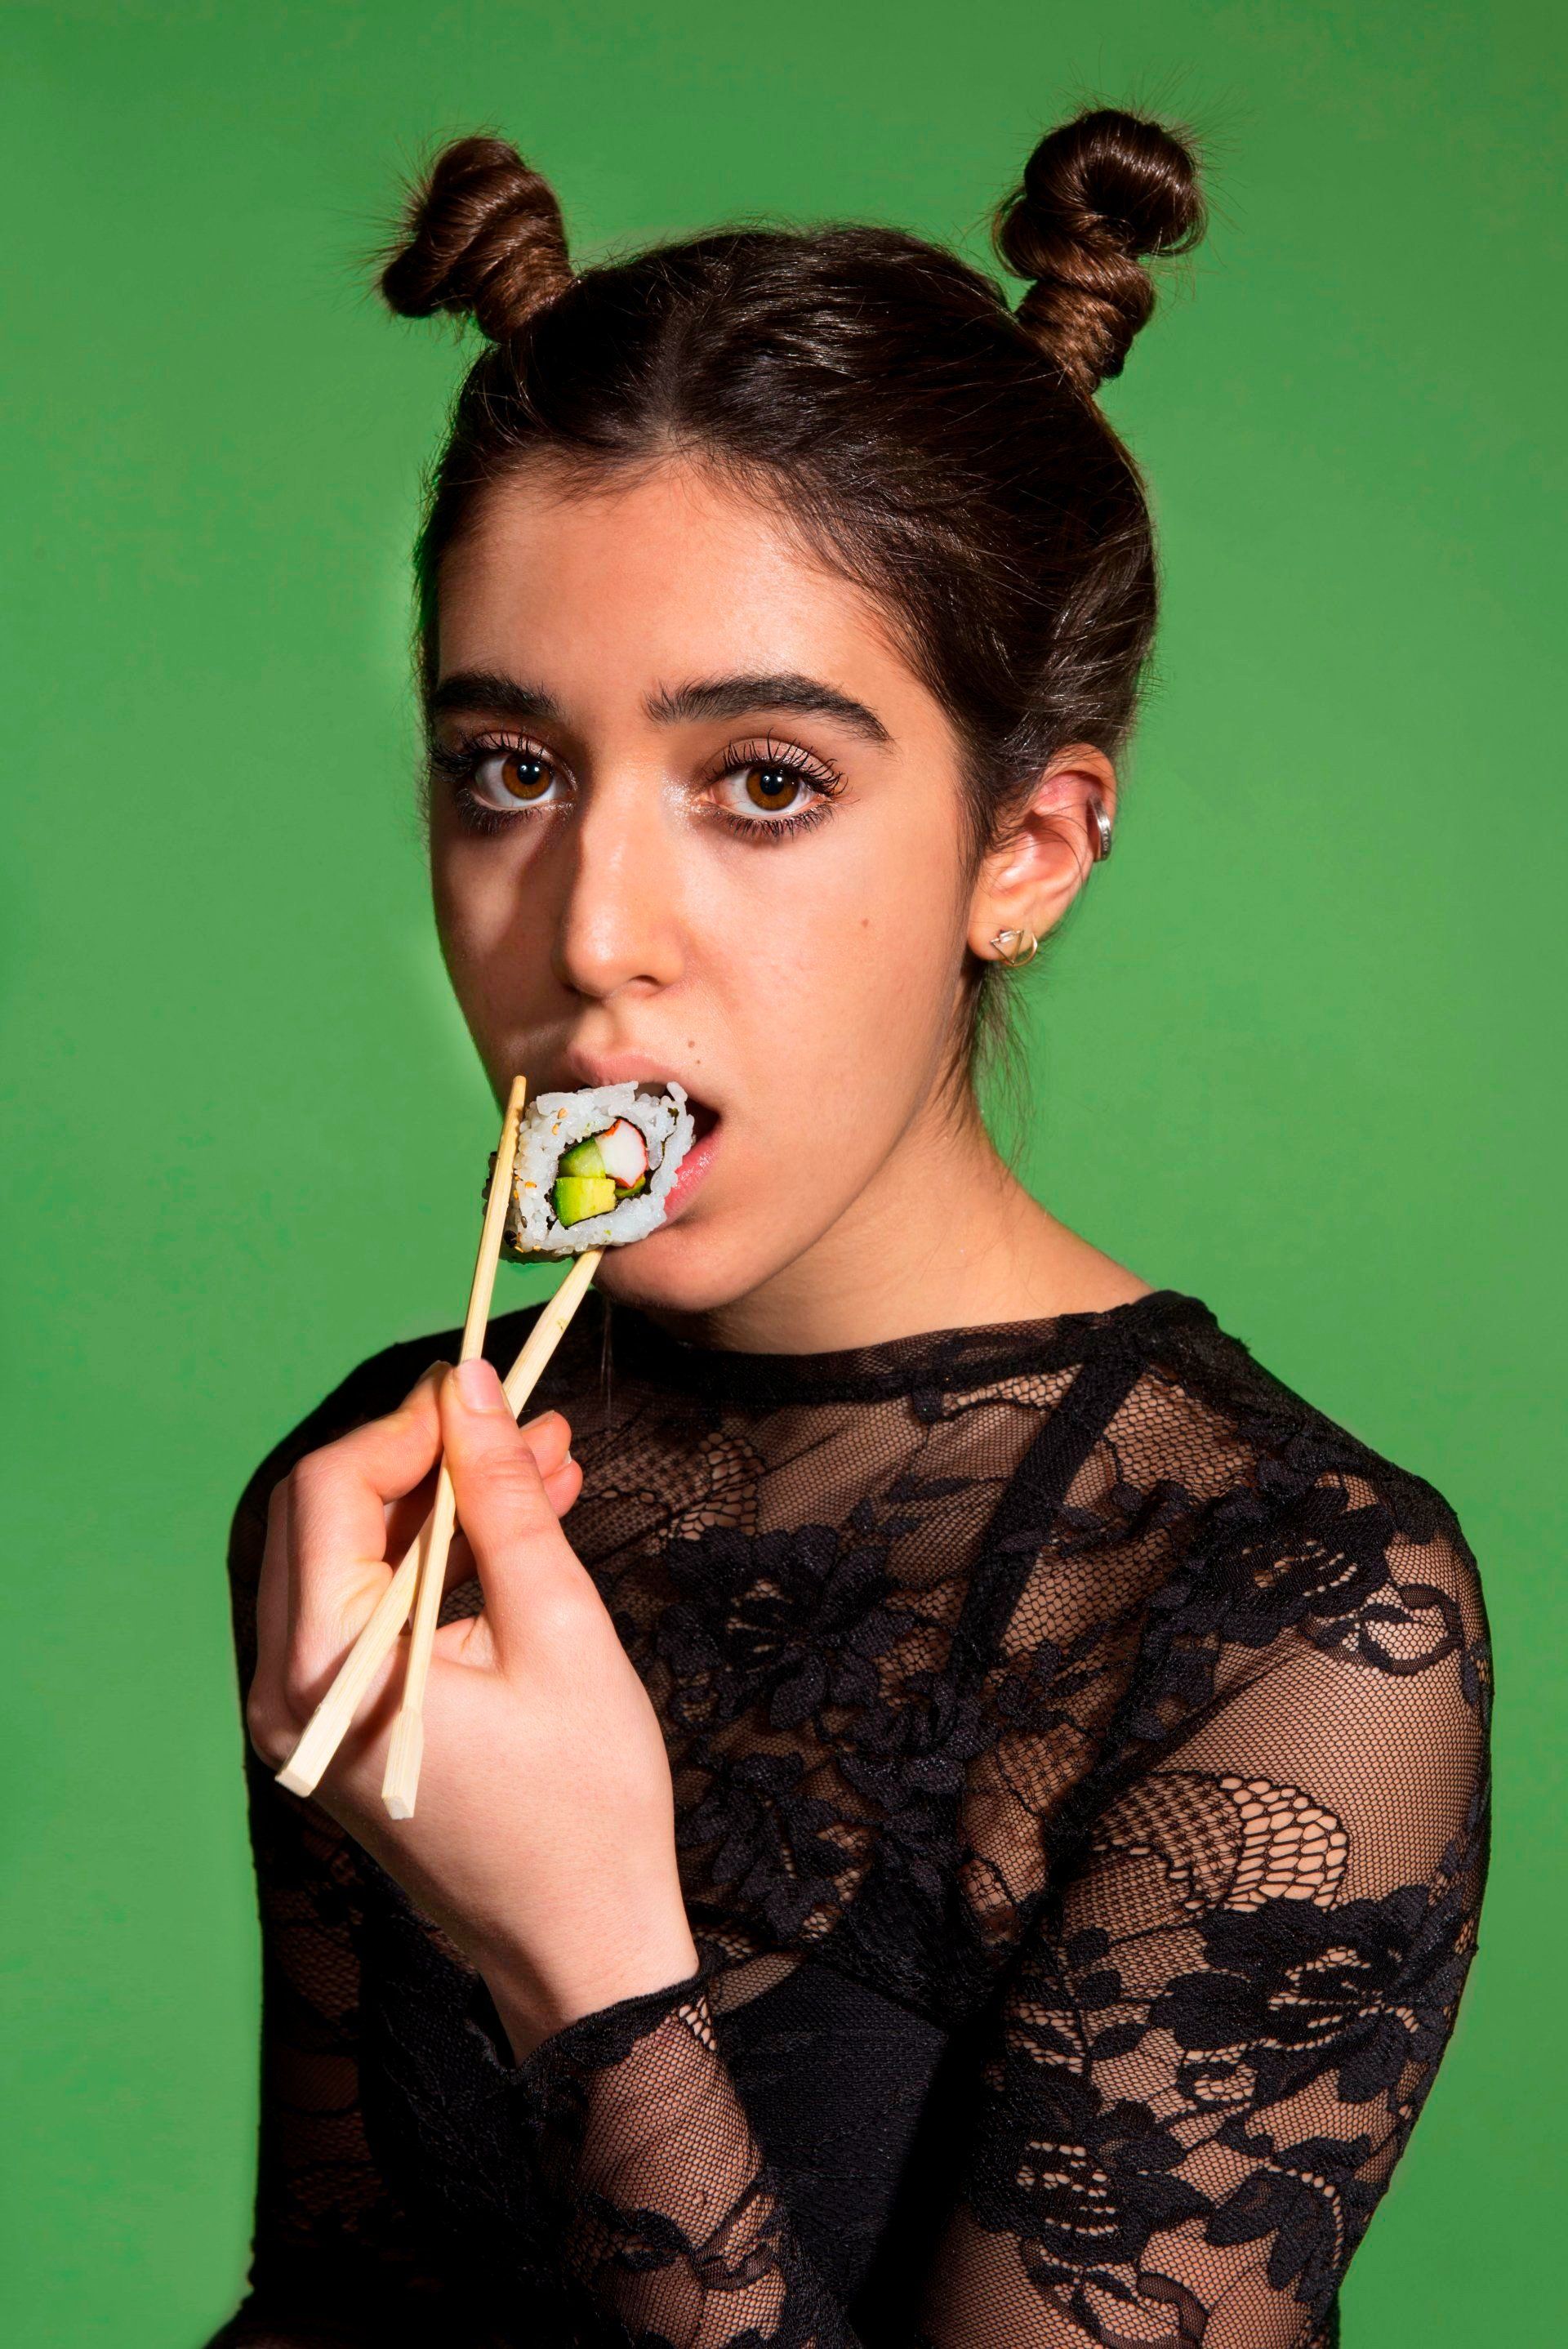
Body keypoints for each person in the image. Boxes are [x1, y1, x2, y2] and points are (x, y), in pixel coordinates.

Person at [211, 107, 1490, 2349]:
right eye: (510, 768)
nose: (588, 932)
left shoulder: (1284, 1610)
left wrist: (587, 1966)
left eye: (765, 783)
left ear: (1028, 849)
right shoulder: (383, 1512)